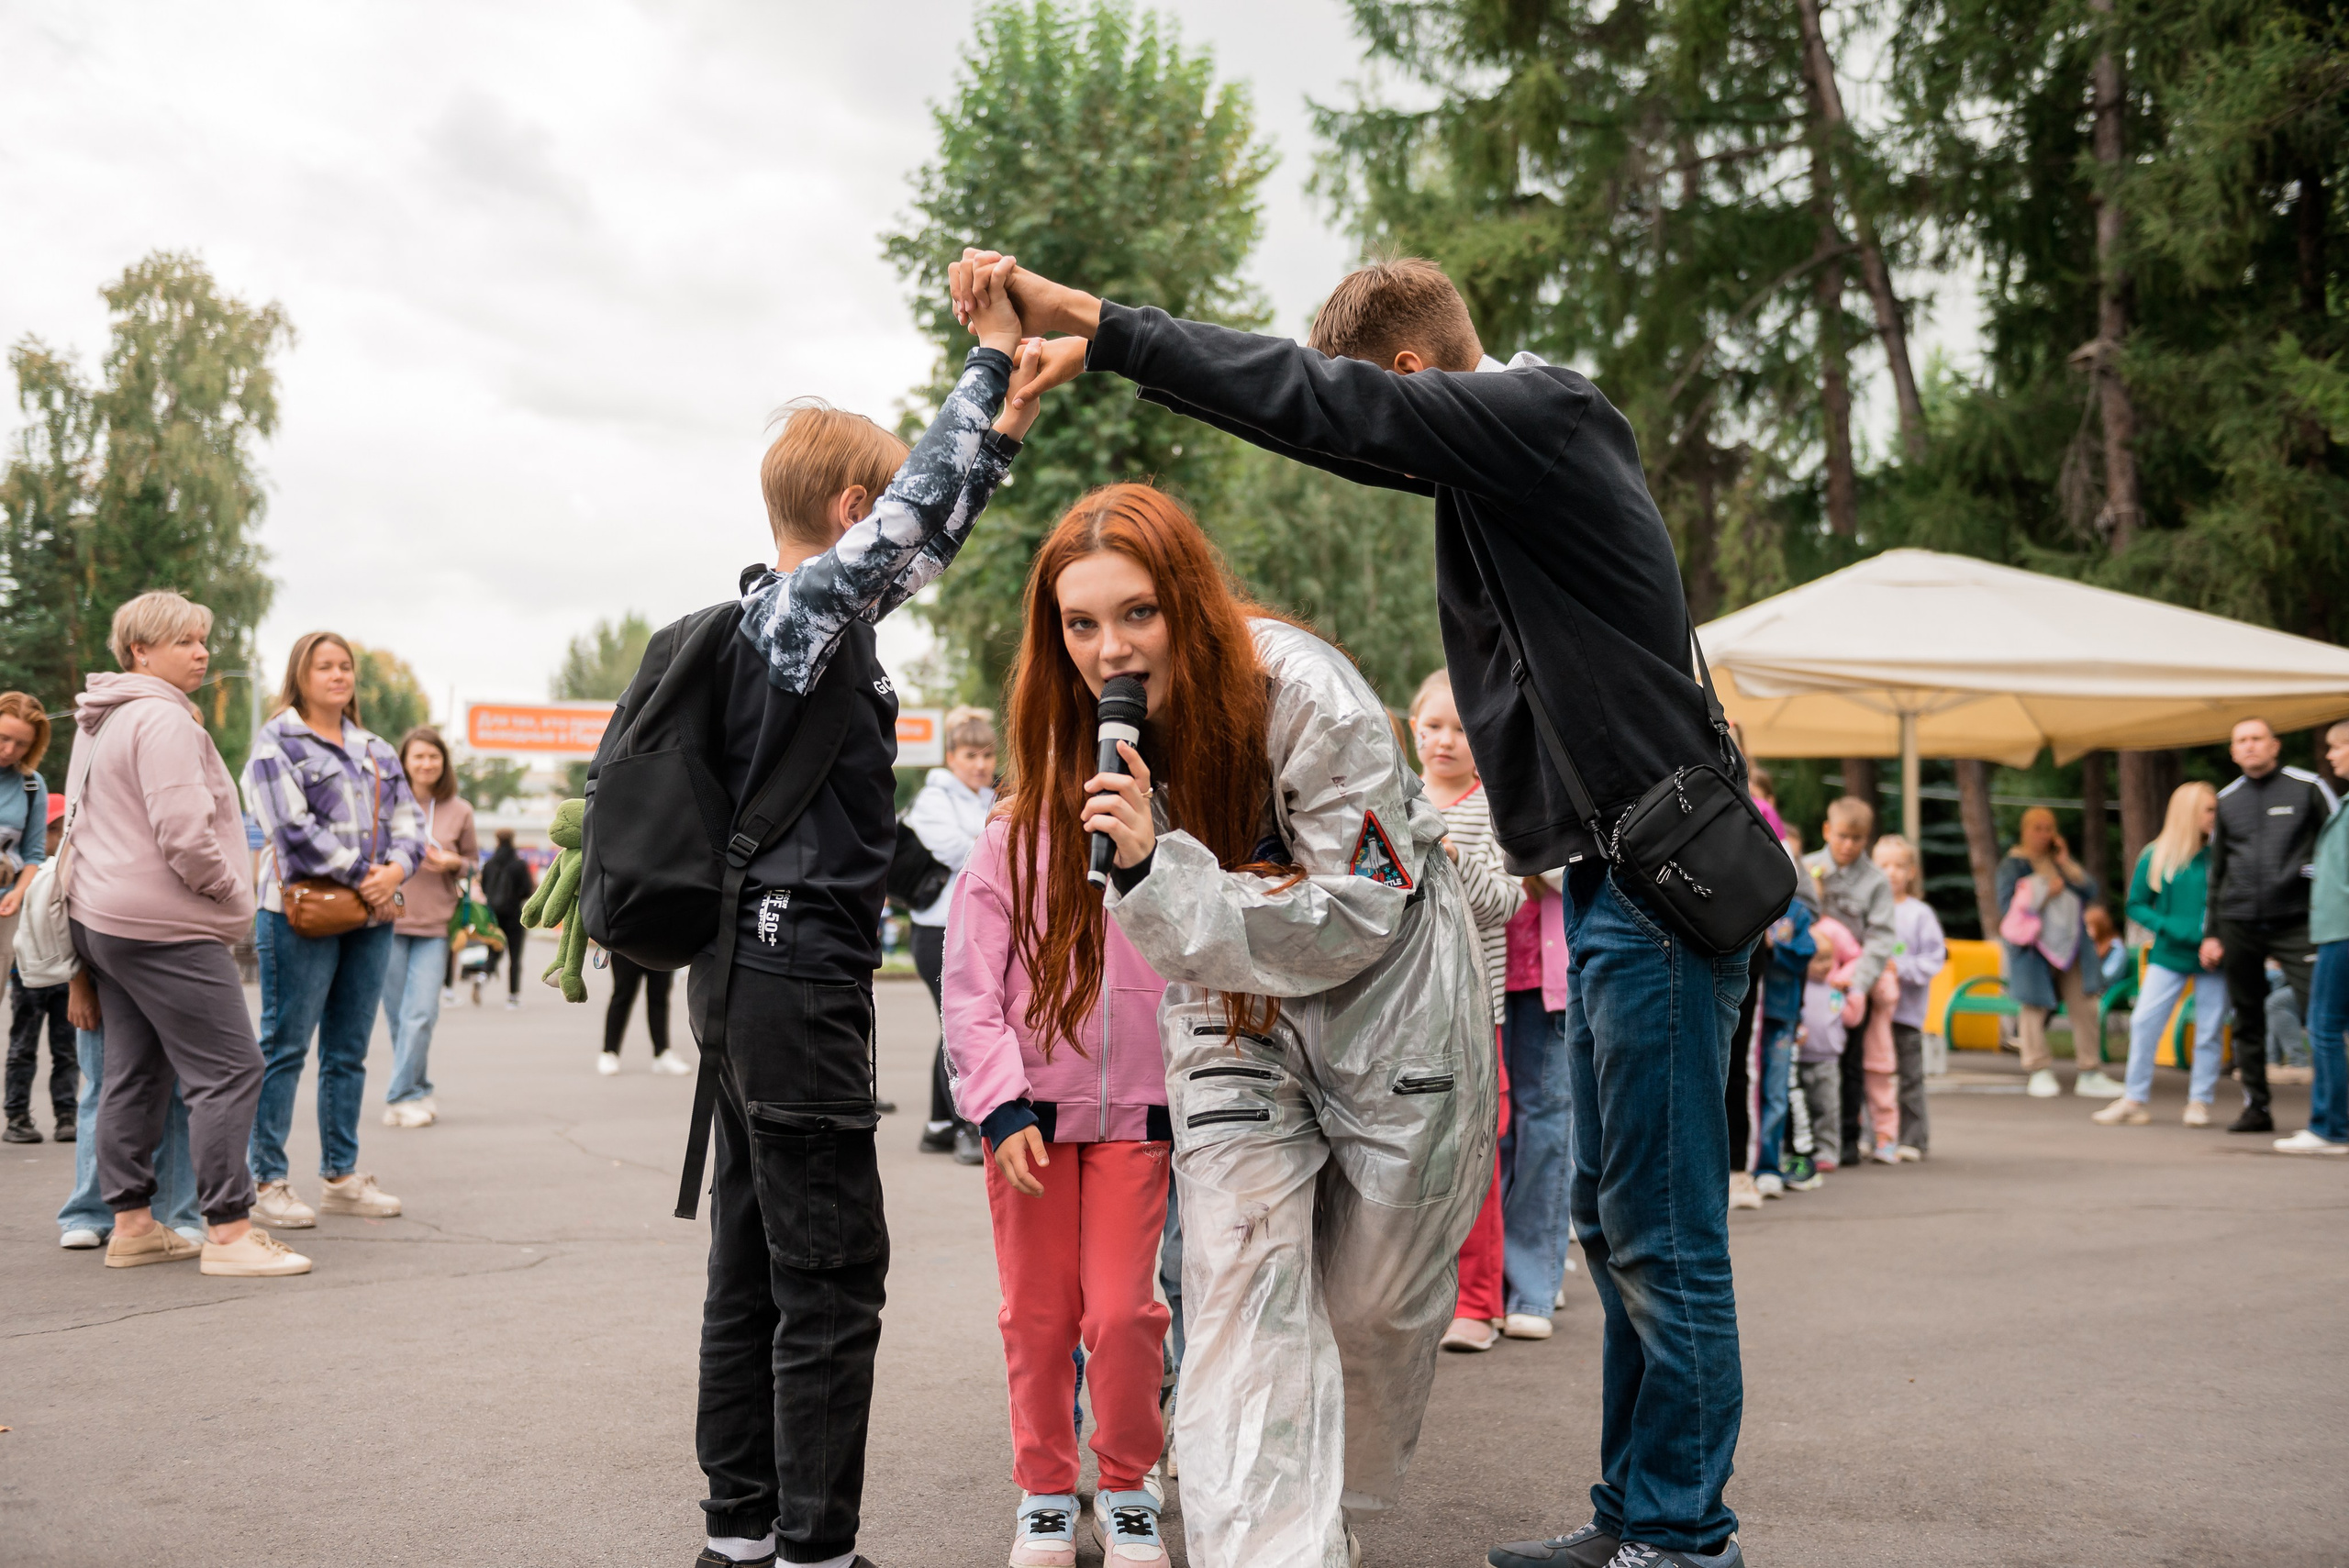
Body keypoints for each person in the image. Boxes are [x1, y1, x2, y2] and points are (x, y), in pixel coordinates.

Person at [962, 250, 1761, 1568]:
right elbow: (1353, 429)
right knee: (1620, 1223)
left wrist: (1100, 331)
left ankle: (1681, 1537)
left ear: (1404, 379)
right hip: (1620, 878)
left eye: (1370, 408)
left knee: (1666, 1237)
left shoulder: (1546, 418)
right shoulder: (1508, 474)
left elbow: (1313, 407)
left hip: (1660, 888)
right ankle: (1639, 1513)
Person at [668, 256, 1052, 1568]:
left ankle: (740, 1535)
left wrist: (991, 442)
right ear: (846, 504)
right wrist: (989, 363)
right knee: (829, 1274)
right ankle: (815, 1550)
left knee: (756, 1258)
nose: (901, 536)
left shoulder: (764, 622)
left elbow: (923, 532)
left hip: (741, 974)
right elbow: (910, 534)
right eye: (878, 507)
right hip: (793, 981)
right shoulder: (802, 619)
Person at [1034, 482, 1492, 1568]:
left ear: (1187, 597)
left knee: (1374, 1306)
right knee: (1241, 1294)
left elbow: (1360, 907)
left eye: (1136, 612)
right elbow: (1161, 907)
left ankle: (1324, 1500)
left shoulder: (1310, 695)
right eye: (1081, 622)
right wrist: (1151, 871)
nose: (1111, 649)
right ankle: (1274, 1551)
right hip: (1230, 1013)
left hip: (1389, 1009)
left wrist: (1170, 872)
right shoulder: (1097, 729)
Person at [941, 755, 1173, 1567]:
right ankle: (1044, 1489)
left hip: (1138, 1116)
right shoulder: (1006, 833)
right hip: (1026, 1120)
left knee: (1120, 1314)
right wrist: (999, 1104)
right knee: (1038, 1315)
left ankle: (1125, 1484)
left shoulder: (1165, 822)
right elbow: (968, 983)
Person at [65, 590, 307, 1277]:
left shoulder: (101, 719)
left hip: (104, 921)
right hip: (164, 924)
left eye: (204, 639)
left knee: (133, 1072)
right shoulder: (164, 720)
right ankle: (229, 1233)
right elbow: (183, 832)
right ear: (141, 649)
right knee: (232, 1068)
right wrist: (233, 891)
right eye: (184, 641)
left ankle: (134, 1225)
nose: (202, 652)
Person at [242, 630, 427, 1228]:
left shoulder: (375, 747)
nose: (338, 675)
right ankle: (267, 1180)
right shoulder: (277, 741)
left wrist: (396, 868)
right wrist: (366, 873)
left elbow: (410, 819)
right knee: (285, 1047)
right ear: (300, 675)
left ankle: (340, 1176)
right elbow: (290, 830)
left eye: (345, 666)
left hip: (370, 912)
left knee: (348, 1051)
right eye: (324, 666)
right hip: (302, 911)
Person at [1411, 669, 1525, 1354]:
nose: (1446, 740)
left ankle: (1480, 1302)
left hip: (1474, 1011)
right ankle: (1418, 1299)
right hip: (1402, 1013)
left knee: (1475, 1162)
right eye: (1433, 726)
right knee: (1413, 1163)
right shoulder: (1391, 799)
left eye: (1461, 728)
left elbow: (1506, 903)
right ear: (1412, 730)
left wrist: (1450, 853)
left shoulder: (1497, 810)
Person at [2202, 717, 2338, 1132]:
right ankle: (2256, 1106)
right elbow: (2218, 870)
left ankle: (2333, 1112)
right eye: (2241, 740)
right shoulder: (2227, 800)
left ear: (2275, 745)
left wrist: (2311, 880)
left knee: (2323, 1012)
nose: (2250, 746)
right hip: (2239, 920)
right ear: (2232, 751)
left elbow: (2339, 843)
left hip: (2299, 921)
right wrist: (2211, 932)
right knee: (2246, 1017)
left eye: (2257, 739)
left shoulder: (2308, 786)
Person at [2099, 782, 2231, 1128]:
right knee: (2144, 1021)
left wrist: (2218, 941)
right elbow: (2137, 905)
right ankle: (2133, 1099)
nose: (2216, 816)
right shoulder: (2156, 854)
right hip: (2171, 952)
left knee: (2209, 1029)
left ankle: (2199, 1102)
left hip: (2216, 956)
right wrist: (2179, 931)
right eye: (2209, 809)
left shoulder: (2225, 854)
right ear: (2188, 814)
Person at [909, 706, 998, 1162]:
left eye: (986, 755)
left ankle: (938, 1126)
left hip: (974, 928)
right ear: (950, 757)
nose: (980, 764)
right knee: (961, 1027)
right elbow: (953, 848)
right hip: (937, 931)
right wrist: (994, 842)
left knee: (953, 1026)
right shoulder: (934, 798)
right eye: (969, 755)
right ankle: (967, 1128)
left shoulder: (987, 799)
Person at [379, 726, 477, 1128]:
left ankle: (399, 1097)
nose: (426, 764)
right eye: (418, 756)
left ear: (443, 762)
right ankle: (418, 1088)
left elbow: (474, 864)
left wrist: (455, 863)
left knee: (422, 1013)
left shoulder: (460, 810)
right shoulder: (384, 805)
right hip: (387, 922)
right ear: (404, 761)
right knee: (400, 1019)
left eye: (433, 757)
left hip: (436, 926)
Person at [1798, 797, 1908, 1153]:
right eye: (1843, 836)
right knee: (1807, 1058)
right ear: (1828, 831)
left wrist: (1857, 983)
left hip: (1848, 986)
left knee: (1851, 1061)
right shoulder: (1808, 867)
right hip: (1809, 983)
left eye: (1857, 839)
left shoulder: (1875, 881)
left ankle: (1847, 1136)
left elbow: (1881, 938)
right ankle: (1807, 1136)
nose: (1848, 845)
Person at [1495, 869, 1573, 1336]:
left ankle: (1533, 1283)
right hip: (1485, 974)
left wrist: (1528, 857)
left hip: (1547, 981)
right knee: (1494, 1133)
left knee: (1544, 1130)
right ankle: (1494, 1279)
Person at [1995, 806, 2116, 1099]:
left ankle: (2090, 1071)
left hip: (2072, 945)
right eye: (2038, 827)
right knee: (2033, 1006)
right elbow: (2006, 906)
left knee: (2086, 1003)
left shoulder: (2059, 863)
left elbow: (2090, 891)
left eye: (2049, 828)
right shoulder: (2014, 865)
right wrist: (2045, 893)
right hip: (2033, 948)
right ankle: (2038, 1069)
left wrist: (2066, 862)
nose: (2044, 834)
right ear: (2025, 831)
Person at [2275, 720, 2349, 1153]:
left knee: (2323, 1026)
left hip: (2342, 929)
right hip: (2335, 926)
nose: (2331, 756)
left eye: (2337, 747)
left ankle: (2329, 1127)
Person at [1869, 834, 1946, 1160]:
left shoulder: (1919, 914)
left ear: (1912, 871)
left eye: (1900, 865)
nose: (1892, 872)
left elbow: (1934, 958)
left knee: (1910, 1078)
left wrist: (1900, 968)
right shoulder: (1869, 909)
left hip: (1906, 1014)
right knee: (1872, 1076)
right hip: (1872, 1014)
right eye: (1884, 865)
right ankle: (1874, 1136)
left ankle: (1913, 1140)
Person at [7, 787, 75, 1144]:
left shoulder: (71, 867)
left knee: (67, 1046)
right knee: (23, 1044)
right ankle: (17, 1115)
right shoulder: (28, 874)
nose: (57, 836)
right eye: (52, 828)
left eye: (62, 828)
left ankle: (67, 1114)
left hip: (65, 972)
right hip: (28, 972)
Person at [1753, 888, 1817, 1195]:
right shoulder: (1742, 896)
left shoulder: (1797, 911)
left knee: (1775, 1091)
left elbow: (1805, 953)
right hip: (1745, 1012)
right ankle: (1739, 1163)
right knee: (1741, 1090)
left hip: (1780, 1015)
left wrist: (1772, 943)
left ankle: (1768, 1166)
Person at [601, 951, 685, 1073]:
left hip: (661, 946)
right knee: (623, 995)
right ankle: (609, 1052)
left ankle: (662, 1053)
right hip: (626, 944)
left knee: (659, 998)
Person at [480, 828, 536, 1009]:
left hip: (493, 915)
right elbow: (527, 890)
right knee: (515, 957)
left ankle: (483, 975)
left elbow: (483, 887)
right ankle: (512, 997)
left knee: (493, 950)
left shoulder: (489, 864)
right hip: (514, 914)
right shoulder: (519, 864)